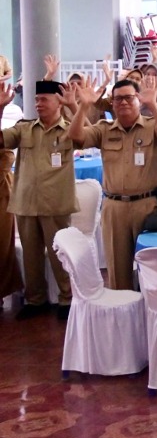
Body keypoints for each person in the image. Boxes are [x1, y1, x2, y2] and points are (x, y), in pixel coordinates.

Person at [68, 74, 157, 290]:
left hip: (147, 205)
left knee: (151, 268)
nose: (124, 102)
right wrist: (82, 106)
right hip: (114, 207)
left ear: (138, 100)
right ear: (112, 103)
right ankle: (124, 316)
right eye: (118, 99)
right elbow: (75, 138)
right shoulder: (104, 129)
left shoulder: (152, 125)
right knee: (118, 271)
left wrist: (153, 104)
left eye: (129, 98)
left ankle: (151, 311)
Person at [0, 81, 78, 319]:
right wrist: (0, 110)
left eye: (44, 99)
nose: (38, 104)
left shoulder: (69, 129)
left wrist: (75, 107)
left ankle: (67, 300)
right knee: (32, 258)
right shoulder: (24, 128)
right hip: (26, 202)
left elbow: (89, 135)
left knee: (59, 256)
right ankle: (36, 301)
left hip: (55, 203)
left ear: (58, 101)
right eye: (36, 100)